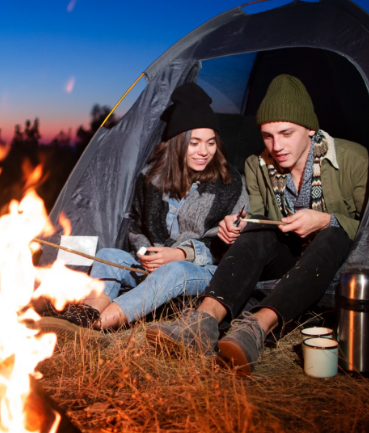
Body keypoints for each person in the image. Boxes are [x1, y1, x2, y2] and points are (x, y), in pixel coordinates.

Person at [146, 74, 369, 375]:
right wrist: (235, 227)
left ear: (310, 129)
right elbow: (261, 219)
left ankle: (255, 328)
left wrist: (326, 219)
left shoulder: (352, 159)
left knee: (333, 233)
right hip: (287, 258)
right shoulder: (257, 165)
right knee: (258, 227)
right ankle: (202, 322)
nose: (276, 146)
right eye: (267, 135)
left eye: (286, 133)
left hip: (337, 263)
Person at [38, 82, 248, 339]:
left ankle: (96, 327)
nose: (204, 152)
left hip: (202, 270)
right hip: (155, 265)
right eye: (194, 143)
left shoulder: (229, 183)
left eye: (211, 143)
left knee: (175, 270)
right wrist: (145, 252)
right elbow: (137, 226)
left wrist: (180, 254)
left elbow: (227, 246)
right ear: (177, 143)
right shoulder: (151, 179)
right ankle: (84, 314)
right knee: (110, 255)